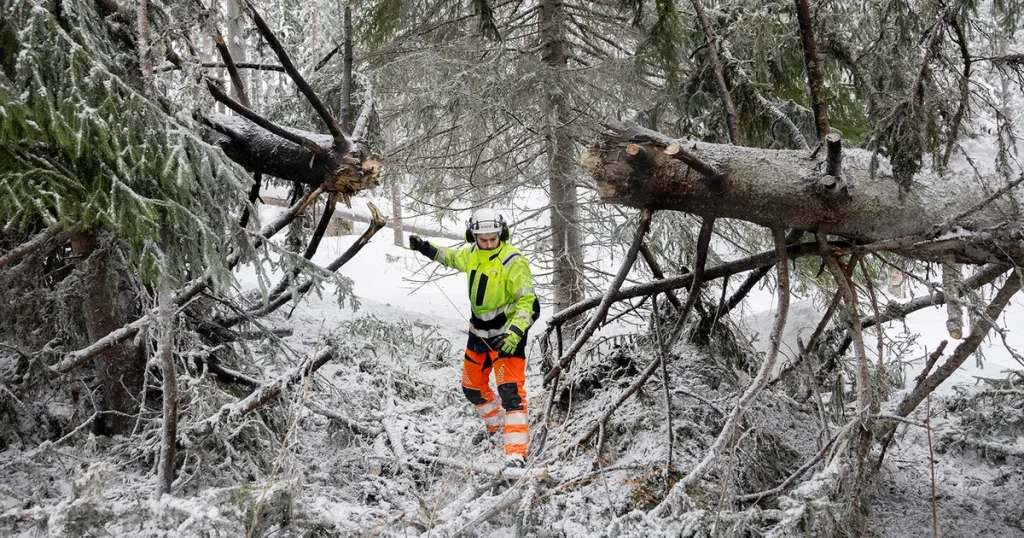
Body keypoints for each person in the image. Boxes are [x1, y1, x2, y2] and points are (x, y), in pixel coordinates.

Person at [408, 208, 539, 467]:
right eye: (484, 239)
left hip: (507, 336)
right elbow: (451, 257)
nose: (489, 244)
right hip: (479, 331)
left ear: (502, 233)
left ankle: (516, 452)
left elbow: (528, 302)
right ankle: (497, 425)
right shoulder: (471, 254)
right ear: (473, 236)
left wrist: (515, 333)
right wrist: (426, 248)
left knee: (511, 393)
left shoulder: (514, 261)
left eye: (494, 239)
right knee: (471, 387)